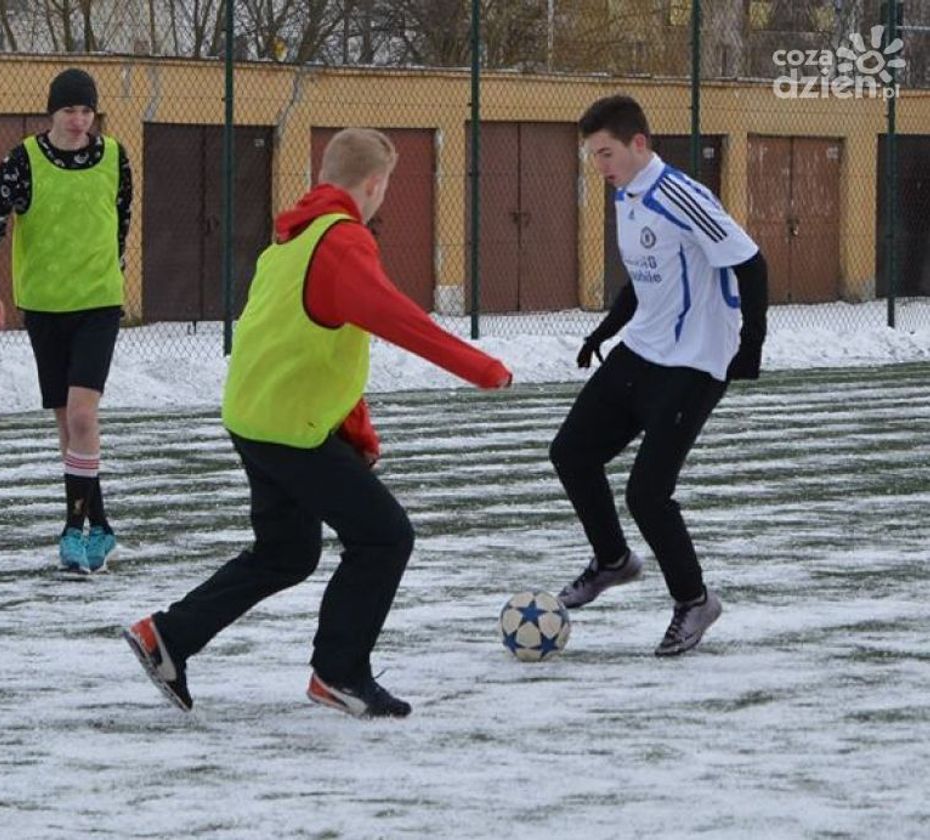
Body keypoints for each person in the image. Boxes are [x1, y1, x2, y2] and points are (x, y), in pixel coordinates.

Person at [124, 128, 513, 718]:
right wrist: (482, 367)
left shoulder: (290, 241)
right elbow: (396, 318)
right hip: (289, 428)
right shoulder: (342, 241)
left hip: (255, 417)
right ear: (374, 184)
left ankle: (168, 637)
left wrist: (357, 431)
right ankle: (340, 673)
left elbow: (321, 345)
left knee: (286, 552)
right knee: (385, 537)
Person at [551, 94, 768, 656]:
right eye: (593, 155)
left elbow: (750, 262)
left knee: (647, 492)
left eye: (606, 153)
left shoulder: (681, 194)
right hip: (644, 349)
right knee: (571, 452)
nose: (599, 165)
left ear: (639, 143)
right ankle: (613, 561)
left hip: (696, 362)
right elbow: (645, 281)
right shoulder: (627, 194)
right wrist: (602, 333)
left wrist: (751, 345)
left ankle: (695, 601)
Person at [0, 67, 133, 575]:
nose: (79, 120)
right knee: (67, 424)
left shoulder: (116, 157)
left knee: (82, 415)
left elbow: (120, 222)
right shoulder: (24, 160)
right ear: (52, 113)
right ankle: (99, 525)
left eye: (86, 111)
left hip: (98, 302)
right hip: (45, 306)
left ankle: (72, 528)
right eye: (69, 110)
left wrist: (109, 272)